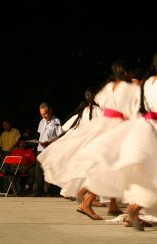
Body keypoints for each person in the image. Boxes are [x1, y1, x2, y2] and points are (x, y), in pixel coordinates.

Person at [65, 49, 157, 230]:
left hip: (148, 127)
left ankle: (132, 209)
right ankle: (135, 208)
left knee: (146, 173)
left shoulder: (148, 83)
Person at [38, 59, 141, 219]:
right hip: (117, 127)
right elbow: (132, 110)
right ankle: (87, 200)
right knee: (112, 166)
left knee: (111, 165)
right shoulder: (129, 88)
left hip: (105, 124)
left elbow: (102, 101)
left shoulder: (109, 87)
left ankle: (110, 204)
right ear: (126, 72)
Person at [32, 102, 64, 196]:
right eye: (42, 114)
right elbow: (40, 134)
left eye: (46, 113)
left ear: (50, 111)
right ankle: (38, 191)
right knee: (38, 170)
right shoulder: (41, 121)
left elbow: (60, 136)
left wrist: (49, 142)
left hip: (51, 149)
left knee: (51, 169)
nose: (44, 116)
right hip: (40, 149)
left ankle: (52, 191)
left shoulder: (56, 121)